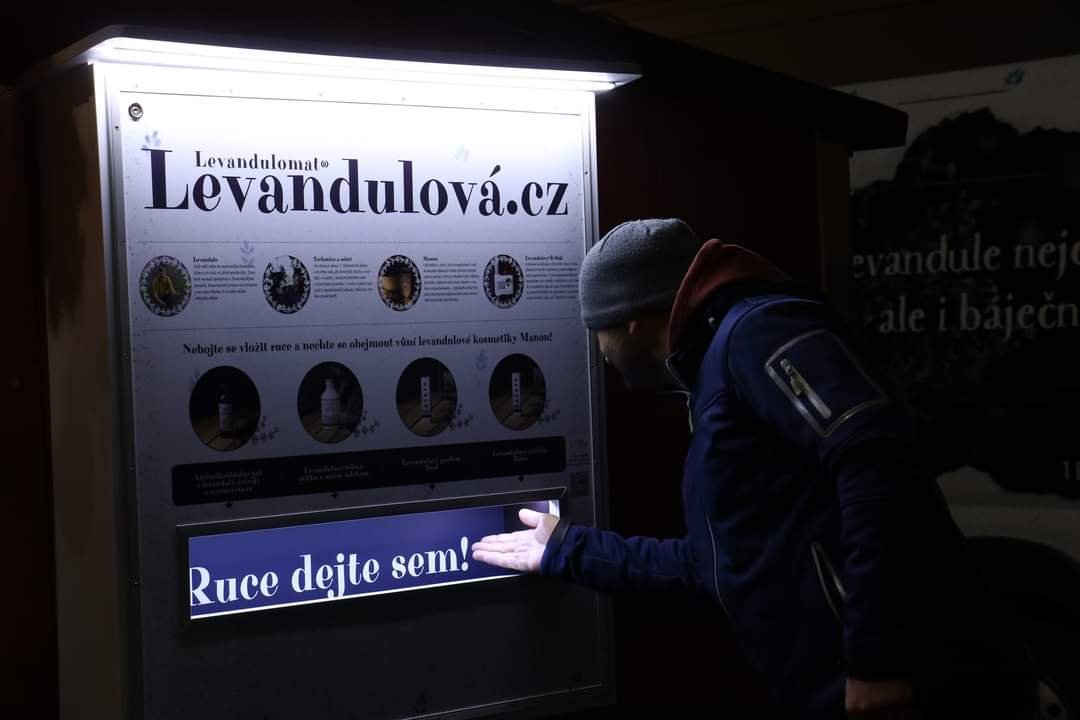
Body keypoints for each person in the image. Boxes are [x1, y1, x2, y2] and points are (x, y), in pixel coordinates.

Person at [472, 218, 1037, 719]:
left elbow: (876, 459)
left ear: (633, 322)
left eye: (598, 331)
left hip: (916, 687)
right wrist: (567, 548)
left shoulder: (758, 334)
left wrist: (878, 659)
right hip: (848, 689)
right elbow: (719, 562)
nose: (600, 351)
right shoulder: (715, 372)